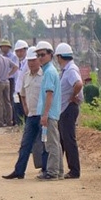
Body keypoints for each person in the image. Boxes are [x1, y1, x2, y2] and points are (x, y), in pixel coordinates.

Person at [3, 46, 47, 179]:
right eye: (29, 61)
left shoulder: (45, 76)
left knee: (44, 144)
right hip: (31, 115)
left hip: (42, 116)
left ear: (39, 60)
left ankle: (45, 170)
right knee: (25, 145)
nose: (31, 63)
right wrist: (25, 107)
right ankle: (19, 171)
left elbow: (49, 95)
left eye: (34, 60)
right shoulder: (26, 76)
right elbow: (22, 93)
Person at [55, 43, 83, 180]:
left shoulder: (70, 70)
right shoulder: (68, 69)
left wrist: (73, 96)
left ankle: (74, 170)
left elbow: (78, 84)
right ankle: (56, 167)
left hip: (68, 108)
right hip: (65, 109)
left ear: (60, 57)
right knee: (62, 140)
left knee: (68, 140)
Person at [35, 41, 62, 180]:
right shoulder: (48, 71)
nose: (40, 57)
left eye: (43, 55)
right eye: (38, 55)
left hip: (50, 113)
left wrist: (45, 114)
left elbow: (49, 94)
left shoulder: (49, 72)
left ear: (50, 55)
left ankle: (52, 172)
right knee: (54, 142)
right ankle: (59, 171)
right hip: (51, 112)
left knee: (51, 144)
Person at [0, 44, 18, 127]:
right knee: (7, 102)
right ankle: (9, 121)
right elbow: (15, 67)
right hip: (6, 82)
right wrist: (9, 74)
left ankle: (0, 121)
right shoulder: (6, 59)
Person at [0, 39, 19, 125]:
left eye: (6, 47)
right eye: (3, 47)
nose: (4, 48)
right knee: (1, 100)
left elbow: (15, 67)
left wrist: (8, 74)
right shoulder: (0, 57)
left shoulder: (13, 57)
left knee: (10, 99)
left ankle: (12, 119)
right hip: (1, 80)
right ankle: (4, 118)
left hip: (10, 79)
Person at [12, 40, 29, 125]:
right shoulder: (20, 63)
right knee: (18, 112)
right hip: (18, 92)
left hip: (24, 92)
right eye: (17, 51)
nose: (19, 53)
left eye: (21, 51)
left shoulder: (28, 63)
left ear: (26, 51)